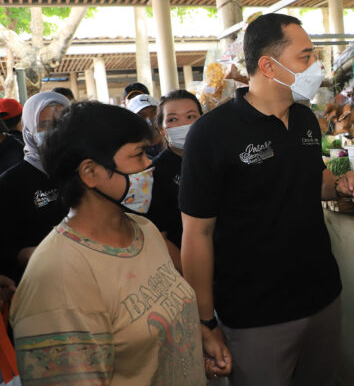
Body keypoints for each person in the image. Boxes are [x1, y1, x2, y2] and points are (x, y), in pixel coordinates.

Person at [180, 13, 354, 385]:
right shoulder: (211, 134)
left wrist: (342, 182)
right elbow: (196, 234)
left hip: (323, 298)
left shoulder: (304, 120)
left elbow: (314, 179)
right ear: (268, 65)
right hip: (258, 317)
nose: (315, 67)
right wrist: (205, 322)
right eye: (305, 57)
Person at [9, 101, 206, 384]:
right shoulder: (57, 277)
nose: (148, 164)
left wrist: (199, 339)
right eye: (137, 155)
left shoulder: (144, 230)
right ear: (90, 173)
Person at [0, 92, 70, 283]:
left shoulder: (84, 172)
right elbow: (7, 249)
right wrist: (47, 255)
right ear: (29, 129)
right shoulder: (10, 183)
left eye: (63, 123)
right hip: (41, 284)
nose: (56, 131)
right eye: (45, 126)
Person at [146, 89, 204, 273]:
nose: (183, 125)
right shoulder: (156, 173)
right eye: (172, 119)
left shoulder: (219, 159)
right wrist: (193, 278)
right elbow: (159, 238)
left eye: (191, 116)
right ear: (162, 129)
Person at [126, 93, 166, 159]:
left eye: (154, 113)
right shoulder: (131, 152)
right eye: (142, 115)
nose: (149, 119)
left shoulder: (174, 146)